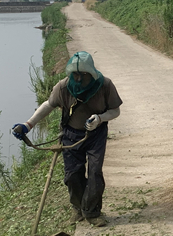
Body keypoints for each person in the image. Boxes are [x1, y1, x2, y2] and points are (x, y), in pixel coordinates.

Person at [12, 51, 123, 226]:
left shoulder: (105, 85)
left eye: (82, 75)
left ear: (91, 73)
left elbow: (115, 111)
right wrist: (28, 124)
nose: (78, 79)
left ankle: (92, 212)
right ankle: (78, 208)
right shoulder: (63, 87)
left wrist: (100, 118)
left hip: (95, 135)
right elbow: (48, 105)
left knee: (95, 172)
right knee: (72, 174)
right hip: (71, 134)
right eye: (75, 75)